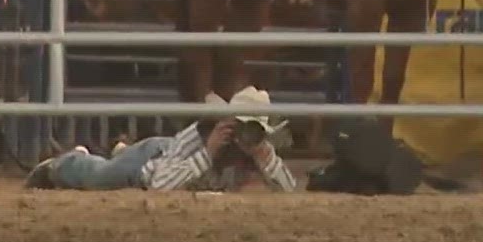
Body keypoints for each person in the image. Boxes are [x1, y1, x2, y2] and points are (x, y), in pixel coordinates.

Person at [24, 86, 300, 193]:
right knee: (100, 177)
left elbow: (290, 192)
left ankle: (121, 149)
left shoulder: (255, 153)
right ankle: (63, 164)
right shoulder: (201, 134)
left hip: (168, 163)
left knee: (115, 167)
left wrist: (266, 157)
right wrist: (208, 152)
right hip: (153, 160)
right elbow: (158, 184)